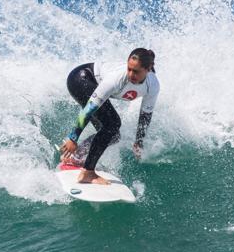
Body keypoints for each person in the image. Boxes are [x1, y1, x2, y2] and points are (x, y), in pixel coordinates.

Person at [60, 48, 160, 185]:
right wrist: (73, 137)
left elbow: (145, 115)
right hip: (81, 79)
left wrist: (139, 141)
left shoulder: (152, 85)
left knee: (113, 135)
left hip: (90, 82)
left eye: (136, 71)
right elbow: (89, 109)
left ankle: (76, 157)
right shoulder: (116, 78)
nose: (131, 74)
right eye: (129, 69)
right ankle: (87, 172)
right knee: (112, 124)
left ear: (148, 69)